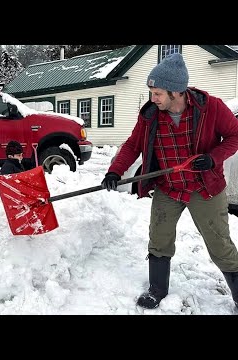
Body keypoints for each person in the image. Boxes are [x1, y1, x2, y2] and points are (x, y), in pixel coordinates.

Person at [101, 53, 238, 310]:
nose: (153, 99)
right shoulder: (151, 114)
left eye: (157, 93)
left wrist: (213, 158)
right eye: (151, 92)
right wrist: (114, 172)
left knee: (220, 244)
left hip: (204, 187)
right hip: (168, 187)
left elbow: (235, 135)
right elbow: (132, 145)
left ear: (176, 92)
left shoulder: (212, 107)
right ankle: (157, 289)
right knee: (159, 239)